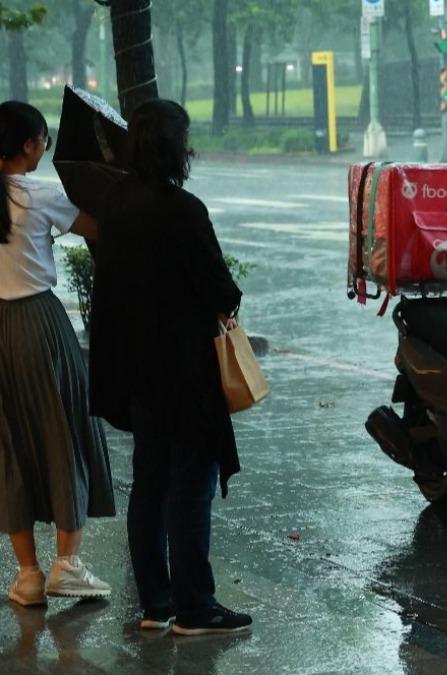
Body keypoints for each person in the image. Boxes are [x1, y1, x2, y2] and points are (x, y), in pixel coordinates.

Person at [89, 99, 251, 635]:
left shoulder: (114, 203)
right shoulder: (184, 210)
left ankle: (155, 605)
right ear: (176, 147)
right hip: (186, 374)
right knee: (191, 487)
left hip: (136, 370)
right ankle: (196, 607)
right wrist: (228, 297)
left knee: (149, 485)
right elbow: (218, 290)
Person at [0, 101, 115, 606]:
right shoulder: (41, 196)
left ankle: (27, 575)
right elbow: (100, 228)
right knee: (63, 431)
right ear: (28, 145)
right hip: (39, 325)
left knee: (8, 448)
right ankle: (67, 565)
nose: (45, 148)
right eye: (43, 140)